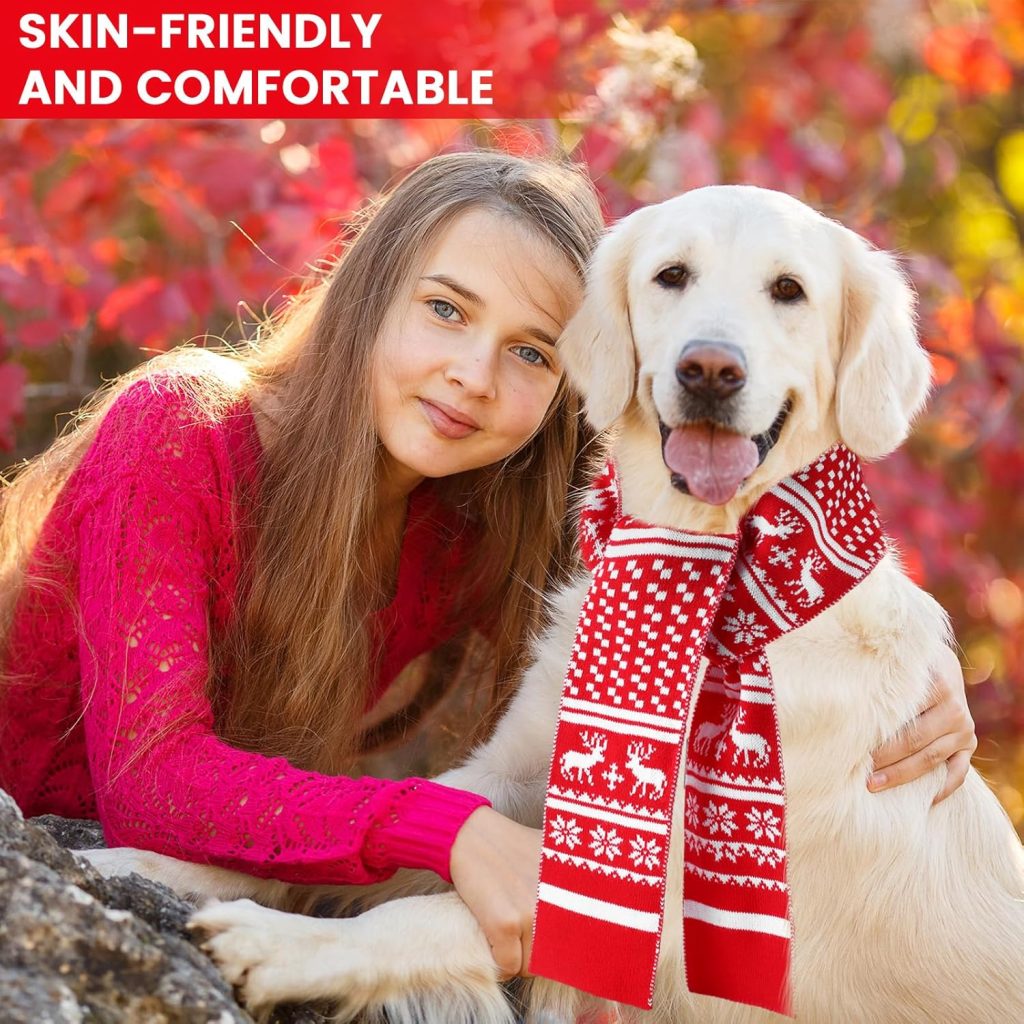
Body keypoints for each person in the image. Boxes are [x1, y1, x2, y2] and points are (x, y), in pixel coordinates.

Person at [0, 149, 978, 982]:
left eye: (530, 352)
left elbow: (723, 555)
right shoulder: (181, 427)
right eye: (444, 309)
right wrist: (449, 829)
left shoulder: (482, 511)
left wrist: (907, 662)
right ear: (364, 296)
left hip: (184, 888)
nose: (475, 374)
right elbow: (152, 782)